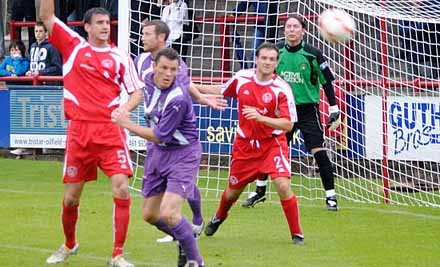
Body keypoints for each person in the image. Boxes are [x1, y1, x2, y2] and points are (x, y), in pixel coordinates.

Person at [39, 1, 144, 266]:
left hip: (110, 131)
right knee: (72, 197)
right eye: (99, 23)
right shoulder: (73, 47)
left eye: (107, 23)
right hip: (80, 132)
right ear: (86, 27)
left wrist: (125, 109)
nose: (105, 27)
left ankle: (117, 254)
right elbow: (46, 15)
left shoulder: (121, 57)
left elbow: (137, 92)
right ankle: (70, 244)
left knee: (121, 188)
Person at [135, 19, 226, 244]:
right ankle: (181, 229)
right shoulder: (139, 61)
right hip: (155, 130)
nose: (142, 38)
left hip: (174, 129)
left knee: (179, 176)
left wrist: (203, 97)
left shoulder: (177, 64)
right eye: (142, 33)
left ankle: (191, 221)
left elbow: (186, 85)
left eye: (147, 34)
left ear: (161, 38)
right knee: (169, 180)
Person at [203, 42, 304, 245]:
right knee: (233, 192)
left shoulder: (281, 89)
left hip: (272, 143)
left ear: (277, 63)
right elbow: (222, 90)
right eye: (264, 58)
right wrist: (191, 86)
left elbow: (288, 124)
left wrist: (261, 118)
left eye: (272, 59)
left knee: (283, 185)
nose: (267, 62)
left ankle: (297, 234)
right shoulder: (242, 78)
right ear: (256, 59)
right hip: (245, 145)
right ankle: (219, 216)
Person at [112, 47, 205, 267]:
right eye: (164, 68)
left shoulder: (178, 98)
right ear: (154, 67)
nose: (168, 74)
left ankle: (196, 261)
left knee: (170, 213)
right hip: (158, 155)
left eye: (173, 70)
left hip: (183, 154)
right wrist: (125, 107)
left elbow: (159, 136)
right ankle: (184, 237)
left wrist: (126, 123)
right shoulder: (146, 78)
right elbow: (133, 88)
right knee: (150, 215)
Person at [242, 15, 341, 211]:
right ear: (284, 30)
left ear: (303, 30)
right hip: (282, 110)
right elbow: (264, 77)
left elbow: (327, 82)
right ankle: (260, 192)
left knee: (319, 152)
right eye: (288, 27)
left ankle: (331, 196)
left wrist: (334, 108)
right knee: (268, 151)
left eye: (296, 27)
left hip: (307, 110)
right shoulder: (276, 52)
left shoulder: (313, 54)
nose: (292, 30)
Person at [231, 0, 278, 68]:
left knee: (271, 53)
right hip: (260, 26)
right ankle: (254, 74)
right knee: (255, 53)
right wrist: (235, 13)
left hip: (272, 26)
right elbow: (246, 2)